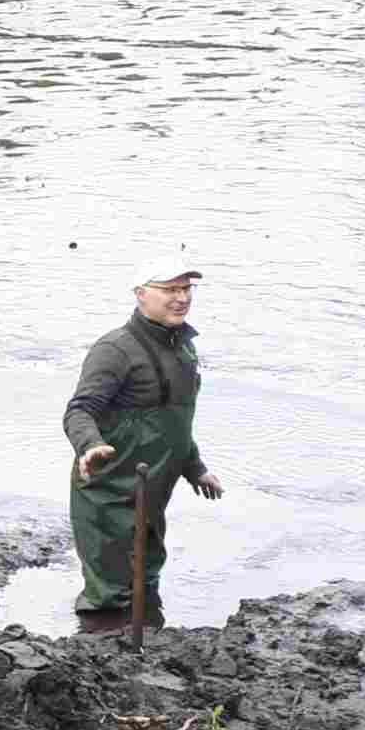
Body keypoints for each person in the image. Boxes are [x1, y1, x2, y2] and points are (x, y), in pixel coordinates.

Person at [63, 257, 224, 629]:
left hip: (153, 489)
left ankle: (146, 642)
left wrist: (195, 468)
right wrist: (89, 445)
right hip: (107, 492)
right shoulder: (115, 349)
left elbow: (175, 420)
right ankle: (97, 645)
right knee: (109, 592)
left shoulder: (183, 348)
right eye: (170, 289)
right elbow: (79, 410)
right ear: (140, 294)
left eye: (186, 289)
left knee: (147, 578)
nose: (181, 298)